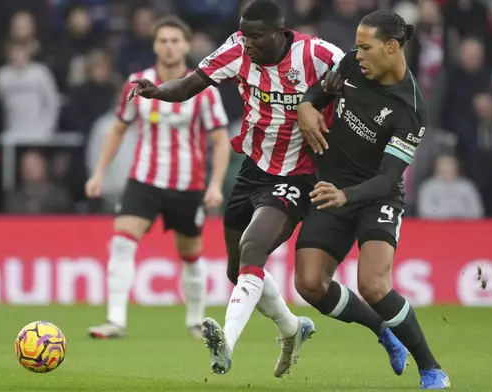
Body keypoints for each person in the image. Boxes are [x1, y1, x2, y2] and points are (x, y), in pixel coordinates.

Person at [129, 0, 344, 378]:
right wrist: (158, 91)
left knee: (252, 248)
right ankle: (293, 329)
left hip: (298, 174)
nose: (247, 43)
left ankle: (226, 343)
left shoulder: (317, 53)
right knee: (238, 269)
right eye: (244, 35)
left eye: (256, 36)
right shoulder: (235, 49)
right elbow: (189, 85)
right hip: (253, 169)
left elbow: (358, 67)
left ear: (279, 33)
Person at [296, 10, 450, 389]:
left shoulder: (410, 108)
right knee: (309, 283)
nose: (356, 53)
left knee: (374, 286)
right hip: (331, 186)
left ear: (391, 47)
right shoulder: (354, 63)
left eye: (365, 47)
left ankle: (431, 368)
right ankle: (382, 330)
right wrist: (306, 106)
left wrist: (344, 195)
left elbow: (387, 179)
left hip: (373, 196)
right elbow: (320, 92)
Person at [86, 17, 231, 340]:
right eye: (163, 40)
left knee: (190, 254)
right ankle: (115, 321)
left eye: (175, 40)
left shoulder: (202, 88)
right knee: (122, 242)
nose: (169, 46)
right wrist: (99, 173)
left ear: (187, 45)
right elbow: (119, 129)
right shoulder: (137, 82)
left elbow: (220, 140)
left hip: (187, 184)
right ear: (154, 46)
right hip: (144, 181)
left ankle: (195, 320)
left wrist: (216, 185)